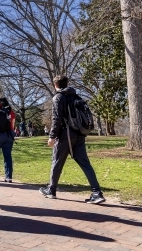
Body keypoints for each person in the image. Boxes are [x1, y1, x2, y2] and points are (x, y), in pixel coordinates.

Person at [39, 75, 105, 204]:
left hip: (65, 135)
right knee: (85, 164)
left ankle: (51, 190)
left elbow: (56, 119)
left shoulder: (58, 97)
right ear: (66, 83)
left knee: (57, 162)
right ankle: (97, 192)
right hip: (79, 134)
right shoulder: (76, 96)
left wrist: (52, 136)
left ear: (55, 85)